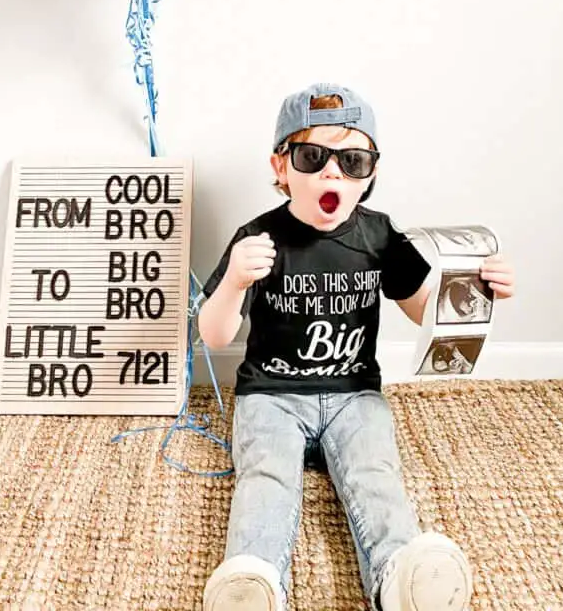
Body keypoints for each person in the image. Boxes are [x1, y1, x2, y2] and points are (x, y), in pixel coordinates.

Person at [198, 84, 516, 611]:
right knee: (267, 475)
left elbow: (419, 306)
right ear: (281, 168)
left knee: (374, 472)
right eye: (312, 157)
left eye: (352, 161)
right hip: (271, 395)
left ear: (369, 173)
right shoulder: (257, 238)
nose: (332, 174)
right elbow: (214, 336)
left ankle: (399, 574)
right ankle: (253, 580)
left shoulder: (380, 235)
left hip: (353, 394)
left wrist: (476, 288)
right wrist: (233, 282)